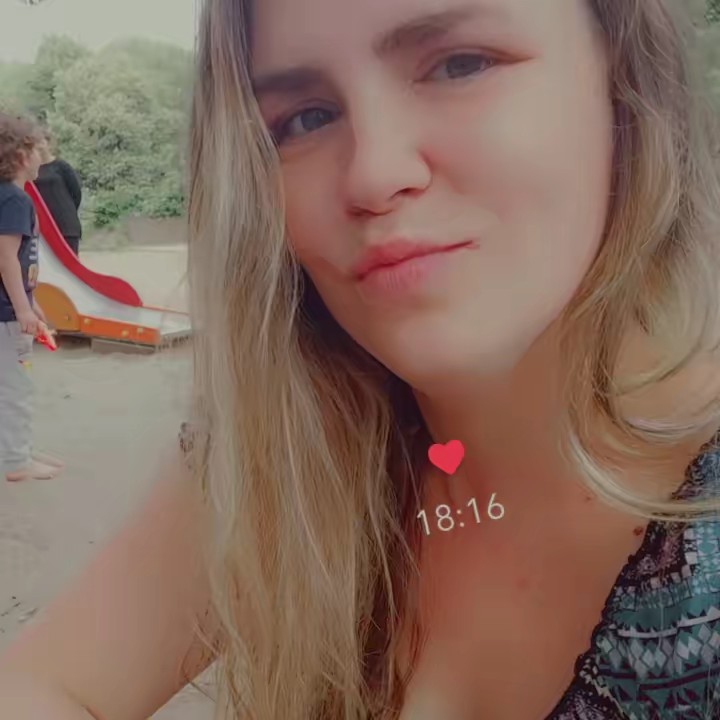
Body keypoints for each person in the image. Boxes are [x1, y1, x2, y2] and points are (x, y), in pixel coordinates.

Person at [1, 0, 720, 717]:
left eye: (461, 65)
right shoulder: (282, 453)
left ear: (623, 77)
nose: (374, 174)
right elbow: (48, 684)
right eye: (305, 119)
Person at [0, 113, 63, 483]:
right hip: (8, 316)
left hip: (11, 310)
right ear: (22, 156)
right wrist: (22, 309)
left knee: (10, 384)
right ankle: (16, 460)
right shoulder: (14, 200)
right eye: (39, 150)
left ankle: (18, 447)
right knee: (17, 387)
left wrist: (32, 303)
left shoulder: (9, 198)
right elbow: (6, 257)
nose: (44, 157)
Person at [34, 129, 83, 256]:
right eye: (35, 143)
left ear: (48, 143)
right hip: (43, 229)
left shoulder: (61, 166)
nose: (38, 146)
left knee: (69, 263)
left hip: (66, 226)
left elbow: (76, 192)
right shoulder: (31, 169)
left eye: (41, 142)